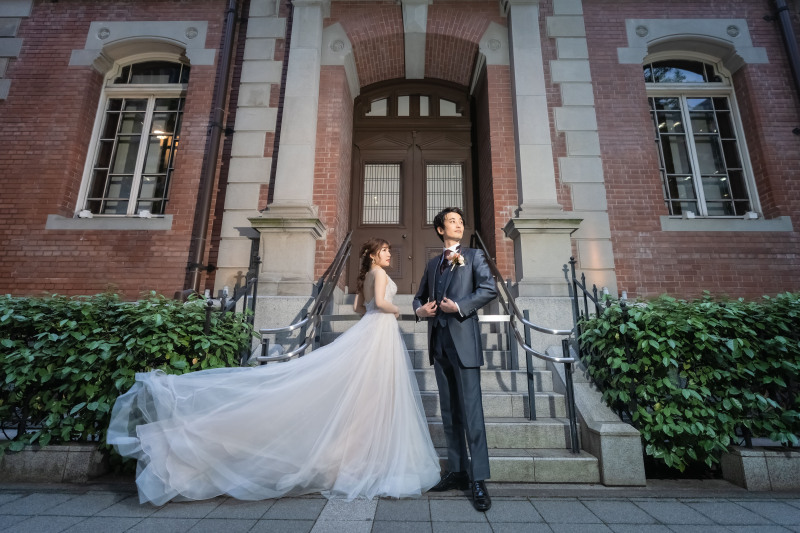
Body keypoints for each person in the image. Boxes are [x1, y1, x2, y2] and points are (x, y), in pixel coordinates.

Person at [107, 238, 441, 506]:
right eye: (384, 250)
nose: (388, 255)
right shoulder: (379, 274)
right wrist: (400, 310)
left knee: (363, 399)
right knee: (371, 399)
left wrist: (377, 307)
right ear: (372, 255)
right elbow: (381, 305)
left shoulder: (365, 277)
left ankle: (354, 459)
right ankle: (362, 462)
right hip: (379, 332)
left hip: (369, 331)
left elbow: (358, 307)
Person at [412, 207, 497, 512]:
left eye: (461, 221)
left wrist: (459, 307)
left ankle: (478, 478)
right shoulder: (433, 264)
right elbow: (418, 297)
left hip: (464, 344)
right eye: (452, 221)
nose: (458, 225)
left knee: (471, 413)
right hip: (440, 345)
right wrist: (419, 311)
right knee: (449, 413)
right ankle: (458, 472)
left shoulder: (474, 257)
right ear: (440, 229)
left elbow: (489, 289)